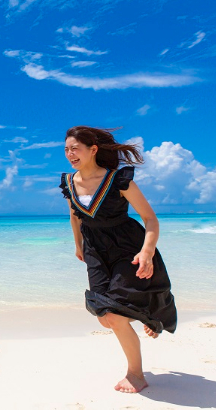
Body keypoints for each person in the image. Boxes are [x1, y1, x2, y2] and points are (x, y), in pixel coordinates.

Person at [60, 126, 177, 393]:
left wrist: (146, 252)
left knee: (114, 314)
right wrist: (78, 245)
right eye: (66, 149)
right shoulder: (68, 182)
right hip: (95, 251)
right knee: (104, 316)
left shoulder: (118, 180)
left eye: (75, 148)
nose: (70, 154)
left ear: (93, 150)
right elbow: (75, 217)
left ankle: (136, 374)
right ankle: (146, 315)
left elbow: (150, 219)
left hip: (128, 248)